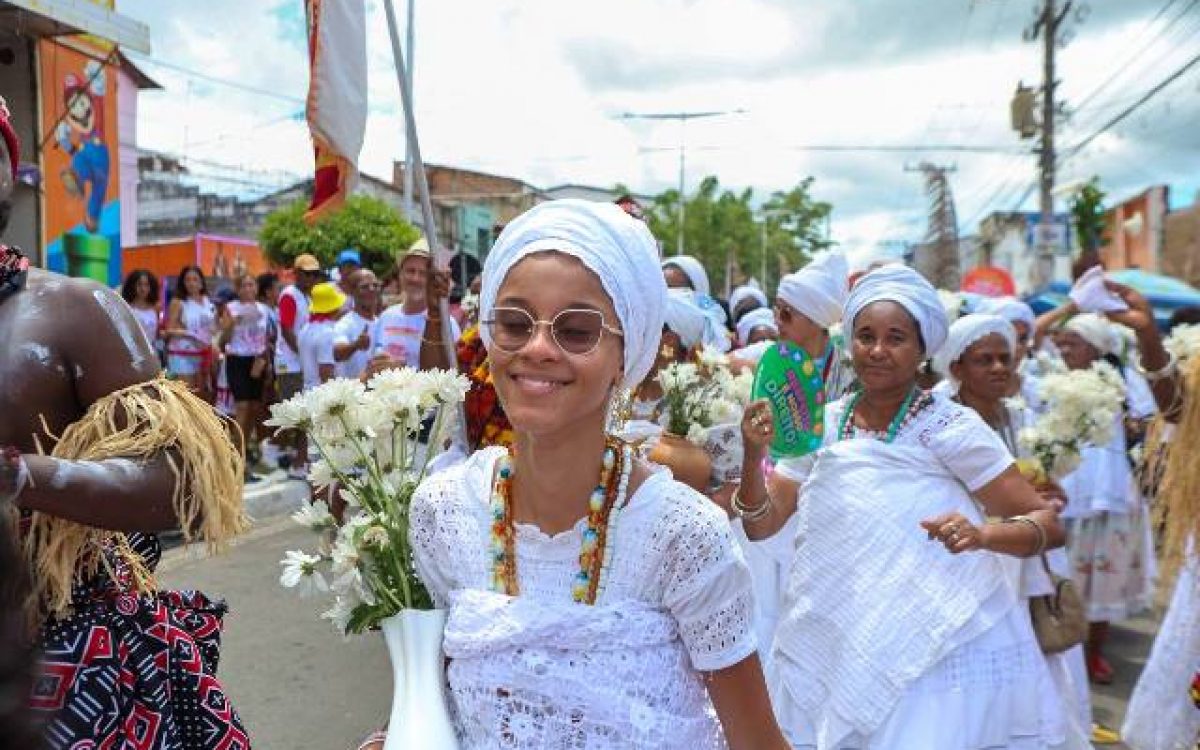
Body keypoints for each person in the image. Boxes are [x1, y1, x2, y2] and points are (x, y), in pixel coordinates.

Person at [408, 199, 788, 749]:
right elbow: (440, 707)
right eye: (514, 323)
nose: (538, 348)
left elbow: (758, 742)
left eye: (577, 330)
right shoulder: (444, 511)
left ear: (625, 353)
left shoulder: (681, 535)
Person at [0, 98, 249, 748]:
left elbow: (182, 478)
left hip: (65, 659)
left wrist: (24, 476)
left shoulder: (74, 311)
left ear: (9, 169)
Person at [740, 264, 1068, 749]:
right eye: (866, 336)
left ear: (922, 350)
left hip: (928, 647)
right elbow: (763, 526)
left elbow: (1047, 524)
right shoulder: (821, 425)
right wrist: (753, 456)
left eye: (895, 338)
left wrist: (983, 536)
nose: (877, 350)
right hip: (835, 632)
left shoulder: (950, 426)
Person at [934, 313, 1092, 739]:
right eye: (984, 360)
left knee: (1028, 661)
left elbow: (1038, 486)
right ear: (957, 370)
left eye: (1005, 359)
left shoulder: (1015, 417)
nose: (999, 368)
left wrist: (1048, 497)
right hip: (966, 563)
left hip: (1020, 558)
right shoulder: (941, 423)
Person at [1051, 312, 1157, 686]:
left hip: (1107, 488)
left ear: (1096, 347)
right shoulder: (1049, 377)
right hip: (1065, 487)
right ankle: (1064, 654)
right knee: (1063, 577)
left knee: (1101, 578)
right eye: (1061, 341)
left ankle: (1094, 653)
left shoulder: (1123, 379)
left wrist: (1132, 422)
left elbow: (1149, 416)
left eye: (1073, 342)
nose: (1064, 349)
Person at [378, 238, 461, 369]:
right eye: (410, 271)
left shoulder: (448, 324)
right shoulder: (386, 316)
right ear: (400, 274)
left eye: (423, 273)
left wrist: (402, 370)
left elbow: (450, 373)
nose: (415, 279)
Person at [275, 253, 323, 474]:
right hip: (290, 364)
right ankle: (297, 462)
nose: (312, 278)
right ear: (296, 274)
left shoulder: (309, 296)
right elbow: (286, 330)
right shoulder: (290, 295)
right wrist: (303, 354)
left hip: (302, 362)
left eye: (315, 274)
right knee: (301, 416)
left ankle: (300, 460)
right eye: (307, 274)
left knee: (306, 414)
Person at [220, 273, 271, 479]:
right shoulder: (231, 308)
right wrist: (231, 324)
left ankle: (245, 454)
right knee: (241, 406)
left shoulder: (264, 310)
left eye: (251, 285)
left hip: (256, 360)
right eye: (244, 285)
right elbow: (222, 340)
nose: (248, 289)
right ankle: (234, 459)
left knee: (253, 408)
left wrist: (266, 361)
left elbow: (267, 336)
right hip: (237, 359)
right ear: (238, 288)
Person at [165, 264, 217, 402]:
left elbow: (213, 327)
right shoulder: (178, 302)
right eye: (187, 279)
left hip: (203, 353)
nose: (191, 283)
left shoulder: (208, 302)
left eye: (195, 279)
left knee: (203, 397)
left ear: (201, 281)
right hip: (182, 355)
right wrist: (190, 333)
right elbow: (168, 330)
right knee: (187, 398)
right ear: (183, 282)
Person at [333, 268, 381, 380]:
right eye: (364, 287)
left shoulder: (381, 322)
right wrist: (356, 345)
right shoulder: (345, 324)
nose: (372, 289)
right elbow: (337, 354)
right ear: (351, 291)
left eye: (375, 285)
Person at [299, 282, 346, 390]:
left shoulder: (305, 328)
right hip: (322, 397)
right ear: (335, 307)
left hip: (308, 391)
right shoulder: (327, 332)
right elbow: (326, 372)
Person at [120, 268, 162, 350]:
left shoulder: (156, 307)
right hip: (131, 351)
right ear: (132, 286)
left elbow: (157, 334)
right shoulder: (125, 306)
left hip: (151, 352)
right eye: (139, 284)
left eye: (146, 285)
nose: (143, 289)